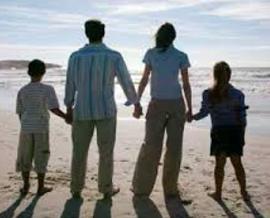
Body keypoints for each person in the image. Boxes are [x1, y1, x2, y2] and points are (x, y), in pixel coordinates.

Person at [64, 19, 139, 199]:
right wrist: (135, 102)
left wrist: (68, 107)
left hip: (82, 110)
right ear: (103, 32)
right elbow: (126, 81)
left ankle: (76, 188)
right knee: (106, 151)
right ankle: (106, 188)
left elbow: (70, 84)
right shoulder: (113, 56)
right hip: (106, 110)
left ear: (86, 33)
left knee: (79, 151)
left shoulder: (75, 56)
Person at [132, 23, 192, 197]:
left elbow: (144, 80)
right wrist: (189, 108)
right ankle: (170, 190)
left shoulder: (152, 54)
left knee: (151, 146)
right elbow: (186, 85)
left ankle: (141, 188)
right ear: (174, 37)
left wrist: (137, 102)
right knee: (174, 149)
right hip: (175, 104)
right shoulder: (180, 55)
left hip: (158, 103)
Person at [192, 61, 249, 201]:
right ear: (229, 75)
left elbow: (204, 113)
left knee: (220, 165)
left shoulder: (208, 94)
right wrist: (242, 135)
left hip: (219, 131)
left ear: (215, 75)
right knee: (237, 163)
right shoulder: (238, 94)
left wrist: (192, 117)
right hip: (235, 131)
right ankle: (244, 193)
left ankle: (218, 193)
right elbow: (242, 118)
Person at [16, 59, 66, 196]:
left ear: (28, 73)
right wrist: (67, 117)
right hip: (41, 127)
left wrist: (25, 124)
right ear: (44, 72)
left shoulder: (22, 90)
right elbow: (54, 108)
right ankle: (40, 187)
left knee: (25, 156)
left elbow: (20, 112)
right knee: (42, 155)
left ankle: (26, 186)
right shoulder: (47, 89)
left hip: (26, 127)